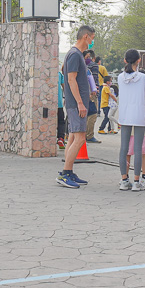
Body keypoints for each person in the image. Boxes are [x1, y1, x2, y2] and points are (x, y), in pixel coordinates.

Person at [57, 25, 96, 188]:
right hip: (75, 104)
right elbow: (71, 80)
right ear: (85, 36)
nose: (92, 41)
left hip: (76, 103)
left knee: (73, 138)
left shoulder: (75, 54)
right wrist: (80, 102)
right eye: (92, 37)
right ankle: (65, 174)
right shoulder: (74, 54)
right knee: (80, 139)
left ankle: (69, 171)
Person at [118, 49, 145, 192]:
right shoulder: (143, 78)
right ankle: (137, 182)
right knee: (138, 148)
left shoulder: (119, 77)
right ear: (139, 60)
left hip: (124, 114)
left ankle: (124, 180)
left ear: (125, 60)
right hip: (139, 114)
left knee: (124, 148)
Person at [84, 51, 101, 144]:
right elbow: (94, 79)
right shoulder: (93, 66)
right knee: (92, 114)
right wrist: (94, 90)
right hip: (92, 94)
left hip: (83, 94)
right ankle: (89, 135)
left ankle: (84, 134)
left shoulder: (80, 65)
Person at [57, 66, 66, 149]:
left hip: (47, 104)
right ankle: (60, 138)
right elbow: (64, 87)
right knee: (61, 121)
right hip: (59, 103)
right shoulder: (59, 74)